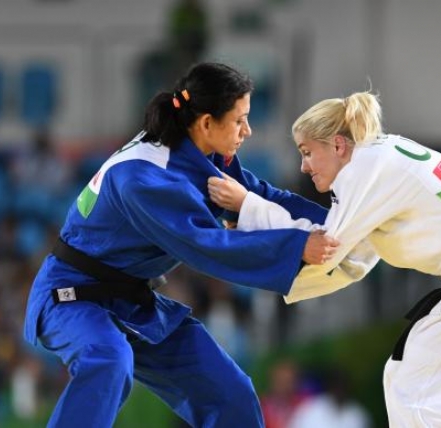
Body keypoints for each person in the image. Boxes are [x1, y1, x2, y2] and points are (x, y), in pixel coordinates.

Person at [207, 91, 441, 426]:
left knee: (414, 394)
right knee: (406, 380)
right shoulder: (376, 162)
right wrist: (253, 220)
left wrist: (248, 206)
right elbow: (351, 258)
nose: (303, 166)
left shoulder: (364, 168)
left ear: (337, 145)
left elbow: (326, 247)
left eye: (306, 152)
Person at [22, 62, 339, 428]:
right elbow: (208, 246)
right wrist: (297, 246)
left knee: (230, 394)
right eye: (239, 121)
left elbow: (263, 196)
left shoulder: (205, 158)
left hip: (132, 300)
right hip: (72, 296)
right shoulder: (144, 177)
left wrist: (339, 222)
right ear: (206, 123)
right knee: (108, 361)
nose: (247, 131)